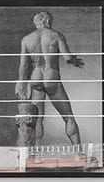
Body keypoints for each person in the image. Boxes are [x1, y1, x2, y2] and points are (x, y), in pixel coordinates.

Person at [17, 11, 84, 149]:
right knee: (68, 117)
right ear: (48, 21)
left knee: (37, 119)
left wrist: (20, 84)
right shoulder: (56, 35)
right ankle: (78, 152)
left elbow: (24, 66)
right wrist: (75, 61)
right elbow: (67, 58)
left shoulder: (26, 39)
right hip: (51, 75)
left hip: (36, 77)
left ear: (36, 22)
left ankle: (34, 153)